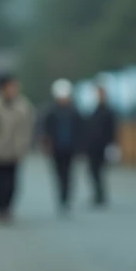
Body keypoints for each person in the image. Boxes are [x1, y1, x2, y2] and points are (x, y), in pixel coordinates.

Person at [0, 74, 35, 223]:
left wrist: (23, 144)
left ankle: (8, 208)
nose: (13, 90)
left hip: (15, 151)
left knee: (12, 183)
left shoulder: (23, 105)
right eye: (10, 86)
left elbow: (27, 127)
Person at [40, 78, 84, 214]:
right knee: (59, 174)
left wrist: (80, 147)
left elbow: (80, 130)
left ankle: (66, 197)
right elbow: (45, 130)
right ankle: (61, 196)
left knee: (69, 173)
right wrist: (46, 144)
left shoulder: (74, 112)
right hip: (56, 148)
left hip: (70, 147)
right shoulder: (51, 112)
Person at [83, 85, 118, 208]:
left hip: (103, 145)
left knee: (99, 171)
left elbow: (112, 130)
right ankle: (98, 194)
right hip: (92, 146)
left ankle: (100, 195)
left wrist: (112, 144)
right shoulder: (95, 109)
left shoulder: (108, 111)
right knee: (93, 171)